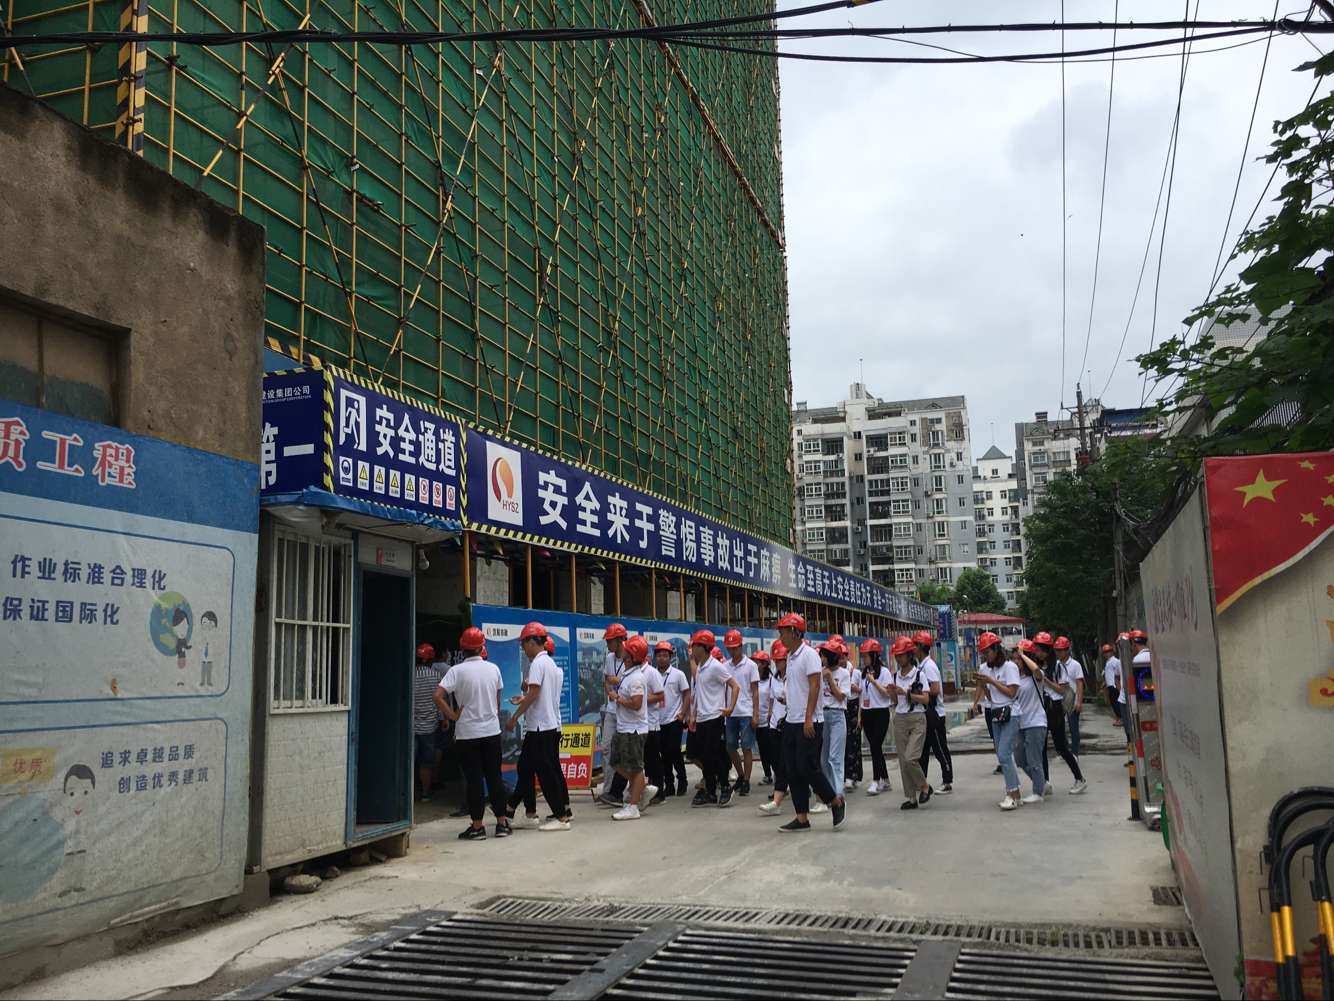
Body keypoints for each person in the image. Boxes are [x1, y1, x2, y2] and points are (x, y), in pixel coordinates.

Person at [434, 628, 511, 840]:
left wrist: (452, 715)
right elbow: (496, 701)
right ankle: (502, 824)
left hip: (467, 734)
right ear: (481, 647)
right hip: (491, 732)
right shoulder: (493, 669)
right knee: (495, 778)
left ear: (463, 648)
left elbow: (438, 696)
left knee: (474, 780)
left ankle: (477, 827)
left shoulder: (456, 671)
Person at [774, 613, 846, 832]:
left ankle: (834, 800)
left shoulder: (809, 655)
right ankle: (802, 818)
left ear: (795, 632)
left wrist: (808, 719)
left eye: (783, 632)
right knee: (792, 769)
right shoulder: (790, 656)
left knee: (807, 768)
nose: (781, 637)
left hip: (810, 721)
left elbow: (815, 686)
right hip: (792, 720)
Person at [503, 623, 572, 832]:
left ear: (532, 642)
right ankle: (528, 813)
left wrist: (515, 717)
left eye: (524, 643)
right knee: (525, 767)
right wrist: (523, 699)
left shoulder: (537, 664)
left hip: (540, 727)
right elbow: (537, 695)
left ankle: (561, 817)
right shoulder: (549, 664)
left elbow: (533, 694)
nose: (523, 648)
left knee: (545, 773)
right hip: (543, 726)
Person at [605, 635, 659, 821]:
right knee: (616, 762)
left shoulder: (636, 678)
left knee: (635, 768)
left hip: (633, 730)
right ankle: (642, 788)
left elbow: (636, 704)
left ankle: (633, 806)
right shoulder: (628, 674)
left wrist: (618, 698)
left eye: (627, 650)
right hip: (624, 728)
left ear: (632, 656)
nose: (623, 651)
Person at [970, 631, 1022, 811]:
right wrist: (984, 683)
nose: (986, 656)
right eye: (983, 653)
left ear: (996, 649)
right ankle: (1016, 793)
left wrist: (991, 681)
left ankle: (1011, 794)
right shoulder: (985, 668)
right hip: (995, 712)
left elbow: (1011, 693)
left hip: (1011, 713)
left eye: (987, 652)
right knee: (1002, 754)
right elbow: (991, 697)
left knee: (1004, 754)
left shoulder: (1010, 667)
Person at [1032, 632, 1087, 796]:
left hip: (1054, 709)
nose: (1037, 653)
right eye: (1036, 649)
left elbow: (1062, 690)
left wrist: (1045, 679)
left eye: (1039, 650)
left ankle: (1080, 779)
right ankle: (1045, 782)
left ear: (1046, 650)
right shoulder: (1037, 665)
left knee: (1061, 747)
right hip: (1041, 708)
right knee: (1041, 748)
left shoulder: (1057, 667)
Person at [689, 630, 740, 808]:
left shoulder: (716, 667)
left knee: (713, 754)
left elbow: (735, 686)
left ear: (703, 647)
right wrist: (694, 715)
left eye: (694, 645)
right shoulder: (701, 667)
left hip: (715, 717)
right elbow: (698, 693)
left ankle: (726, 787)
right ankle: (710, 791)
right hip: (702, 718)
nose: (692, 649)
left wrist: (730, 708)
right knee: (705, 756)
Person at [888, 636, 932, 810]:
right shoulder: (895, 676)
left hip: (917, 718)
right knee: (902, 760)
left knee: (910, 758)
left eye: (901, 655)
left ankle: (924, 786)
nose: (898, 658)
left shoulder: (919, 674)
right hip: (900, 718)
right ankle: (911, 798)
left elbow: (926, 699)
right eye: (896, 655)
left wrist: (906, 693)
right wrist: (892, 692)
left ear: (909, 655)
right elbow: (895, 702)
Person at [913, 630, 953, 795]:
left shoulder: (929, 667)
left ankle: (947, 781)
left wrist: (920, 692)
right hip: (926, 714)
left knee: (940, 749)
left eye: (914, 645)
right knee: (922, 751)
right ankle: (921, 782)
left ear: (920, 647)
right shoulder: (921, 666)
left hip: (935, 714)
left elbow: (935, 689)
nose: (912, 648)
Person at [722, 629, 761, 797]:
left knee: (746, 747)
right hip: (730, 713)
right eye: (729, 648)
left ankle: (746, 780)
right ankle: (740, 774)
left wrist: (755, 714)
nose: (732, 651)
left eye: (735, 647)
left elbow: (755, 691)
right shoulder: (725, 666)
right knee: (730, 746)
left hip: (746, 712)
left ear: (741, 646)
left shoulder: (751, 665)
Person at [1011, 639, 1049, 805]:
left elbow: (1036, 670)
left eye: (1018, 659)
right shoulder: (1016, 678)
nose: (1016, 662)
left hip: (1036, 722)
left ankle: (1038, 792)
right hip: (1021, 723)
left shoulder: (1036, 676)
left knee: (1034, 760)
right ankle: (1042, 782)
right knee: (1020, 758)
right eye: (1014, 658)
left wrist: (1023, 655)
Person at [757, 641, 791, 816]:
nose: (777, 663)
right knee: (775, 758)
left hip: (789, 722)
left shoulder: (792, 677)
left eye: (780, 660)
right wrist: (770, 713)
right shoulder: (774, 679)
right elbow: (771, 697)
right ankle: (780, 789)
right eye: (776, 660)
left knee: (788, 759)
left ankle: (785, 789)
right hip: (774, 722)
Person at [598, 623, 629, 807]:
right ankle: (608, 790)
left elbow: (636, 680)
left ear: (619, 640)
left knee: (625, 752)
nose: (608, 644)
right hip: (611, 709)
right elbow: (606, 680)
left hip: (626, 710)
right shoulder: (609, 658)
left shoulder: (630, 656)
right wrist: (609, 690)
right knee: (606, 748)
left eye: (610, 641)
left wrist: (618, 681)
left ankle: (632, 789)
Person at [858, 639, 894, 796]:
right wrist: (860, 715)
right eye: (863, 656)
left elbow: (887, 693)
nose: (864, 659)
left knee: (875, 745)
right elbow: (862, 696)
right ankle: (885, 779)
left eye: (866, 656)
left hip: (881, 712)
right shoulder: (863, 673)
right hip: (867, 712)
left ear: (874, 656)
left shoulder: (884, 672)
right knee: (875, 747)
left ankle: (876, 780)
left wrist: (873, 682)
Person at [657, 642, 691, 797]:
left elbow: (686, 694)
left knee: (674, 751)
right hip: (659, 720)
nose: (662, 658)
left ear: (670, 657)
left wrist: (683, 713)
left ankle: (682, 780)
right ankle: (669, 784)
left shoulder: (678, 674)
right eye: (659, 655)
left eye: (665, 655)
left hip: (675, 719)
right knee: (664, 754)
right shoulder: (653, 674)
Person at [818, 639, 850, 797]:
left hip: (837, 715)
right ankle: (828, 793)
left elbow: (840, 697)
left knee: (835, 757)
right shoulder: (820, 672)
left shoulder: (844, 674)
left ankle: (838, 793)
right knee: (823, 758)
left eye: (824, 656)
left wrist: (830, 679)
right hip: (822, 716)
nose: (822, 659)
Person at [413, 642, 444, 802]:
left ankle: (408, 793)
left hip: (411, 726)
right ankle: (425, 793)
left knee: (410, 760)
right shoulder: (436, 676)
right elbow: (440, 701)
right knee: (426, 762)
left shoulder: (409, 674)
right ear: (429, 659)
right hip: (429, 727)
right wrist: (444, 718)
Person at [642, 642, 667, 807]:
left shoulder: (651, 673)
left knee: (654, 761)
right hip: (640, 725)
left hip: (652, 724)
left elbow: (660, 696)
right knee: (647, 762)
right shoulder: (634, 672)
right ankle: (650, 790)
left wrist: (640, 700)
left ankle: (660, 793)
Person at [1054, 637, 1086, 757]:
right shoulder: (1056, 665)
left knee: (1073, 728)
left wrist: (1079, 702)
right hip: (1059, 700)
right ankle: (1064, 750)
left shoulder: (1075, 665)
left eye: (1061, 650)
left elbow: (1079, 684)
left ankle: (1075, 752)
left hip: (1072, 701)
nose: (1058, 653)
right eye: (1057, 650)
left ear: (1067, 650)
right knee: (1059, 728)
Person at [839, 639, 863, 791]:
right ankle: (843, 775)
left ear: (847, 657)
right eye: (838, 657)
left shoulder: (856, 673)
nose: (840, 660)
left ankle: (852, 775)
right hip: (841, 707)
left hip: (853, 708)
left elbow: (862, 693)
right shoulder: (833, 672)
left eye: (843, 657)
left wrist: (860, 716)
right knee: (841, 743)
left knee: (853, 743)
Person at [753, 650, 775, 785]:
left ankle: (778, 774)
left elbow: (773, 698)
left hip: (768, 720)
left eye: (758, 662)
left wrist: (770, 713)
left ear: (765, 664)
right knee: (762, 749)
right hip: (756, 720)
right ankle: (767, 775)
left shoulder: (771, 680)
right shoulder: (753, 679)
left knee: (770, 749)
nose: (755, 664)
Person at [1102, 643, 1123, 727]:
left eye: (1108, 651)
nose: (1107, 653)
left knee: (1116, 703)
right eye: (1105, 652)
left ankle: (1121, 719)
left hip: (1114, 685)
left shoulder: (1116, 661)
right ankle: (1118, 718)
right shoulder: (1108, 662)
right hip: (1110, 685)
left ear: (1112, 652)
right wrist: (1104, 683)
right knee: (1113, 703)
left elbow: (1119, 673)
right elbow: (1108, 674)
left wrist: (1119, 686)